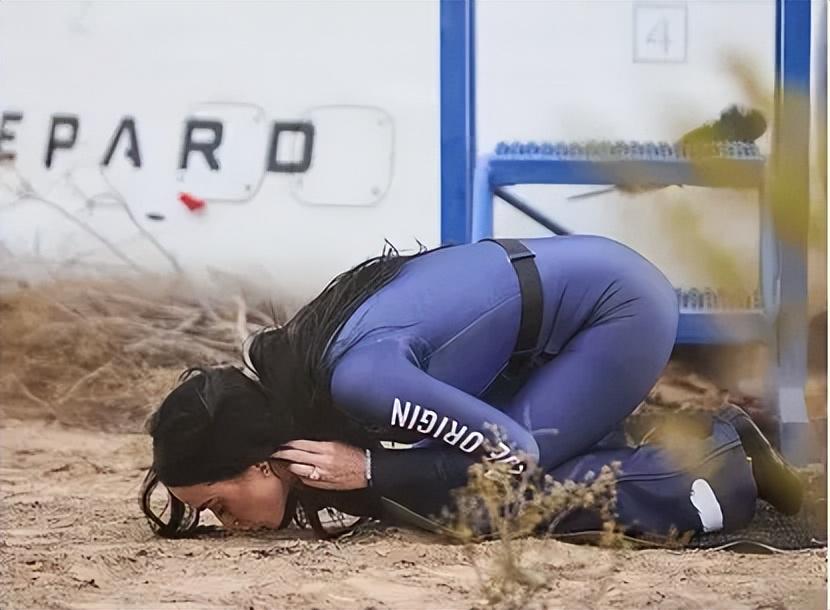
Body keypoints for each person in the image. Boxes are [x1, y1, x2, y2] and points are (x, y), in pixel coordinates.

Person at [141, 236, 803, 539]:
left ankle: (714, 472)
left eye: (218, 505)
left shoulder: (357, 379)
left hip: (616, 314)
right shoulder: (317, 375)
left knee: (485, 499)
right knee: (436, 477)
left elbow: (513, 453)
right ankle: (692, 438)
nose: (225, 523)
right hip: (566, 313)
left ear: (261, 462)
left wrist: (371, 470)